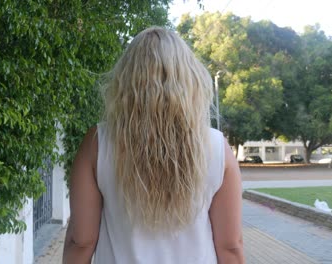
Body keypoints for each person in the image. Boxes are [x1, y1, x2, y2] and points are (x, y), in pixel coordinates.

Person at [62, 27, 244, 264]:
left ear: (126, 81)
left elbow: (82, 241)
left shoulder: (98, 143)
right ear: (190, 79)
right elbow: (230, 246)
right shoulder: (217, 148)